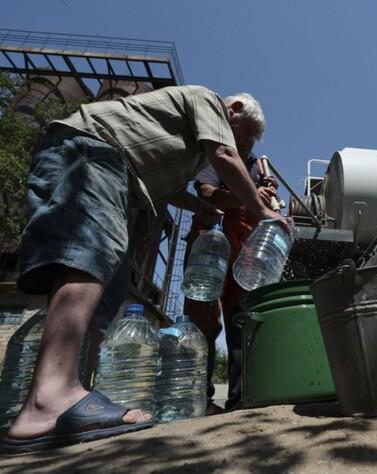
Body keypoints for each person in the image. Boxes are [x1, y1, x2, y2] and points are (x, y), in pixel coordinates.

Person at [1, 85, 281, 454]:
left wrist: (198, 208)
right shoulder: (206, 101)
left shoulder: (178, 151)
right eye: (243, 135)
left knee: (106, 283)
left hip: (115, 175)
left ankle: (72, 394)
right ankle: (47, 401)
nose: (244, 147)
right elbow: (225, 154)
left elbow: (168, 192)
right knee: (87, 255)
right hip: (91, 153)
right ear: (236, 110)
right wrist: (265, 214)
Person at [183, 93, 278, 412]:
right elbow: (207, 194)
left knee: (243, 321)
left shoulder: (257, 166)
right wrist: (247, 196)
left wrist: (266, 198)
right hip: (210, 243)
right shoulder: (215, 156)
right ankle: (199, 399)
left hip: (245, 249)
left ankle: (240, 398)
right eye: (245, 135)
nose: (248, 144)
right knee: (203, 318)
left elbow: (268, 213)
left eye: (252, 138)